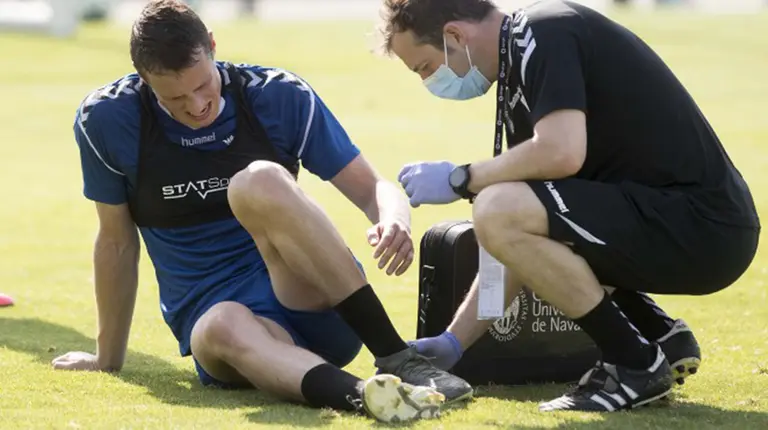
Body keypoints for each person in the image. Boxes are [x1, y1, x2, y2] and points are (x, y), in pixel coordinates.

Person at [52, 0, 473, 423]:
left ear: (213, 46)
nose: (196, 105)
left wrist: (393, 217)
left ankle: (396, 357)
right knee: (220, 324)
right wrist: (107, 358)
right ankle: (367, 396)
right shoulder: (107, 119)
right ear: (143, 80)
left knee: (258, 181)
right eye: (175, 96)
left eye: (203, 85)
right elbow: (116, 242)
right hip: (228, 333)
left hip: (311, 300)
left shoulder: (275, 93)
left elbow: (373, 189)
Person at [377, 0, 759, 412]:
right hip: (685, 223)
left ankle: (633, 364)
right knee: (503, 209)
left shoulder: (542, 31)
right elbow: (514, 239)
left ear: (454, 36)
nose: (429, 82)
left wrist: (461, 178)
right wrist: (455, 342)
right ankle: (658, 333)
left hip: (705, 225)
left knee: (497, 205)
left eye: (425, 67)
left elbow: (561, 154)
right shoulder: (518, 64)